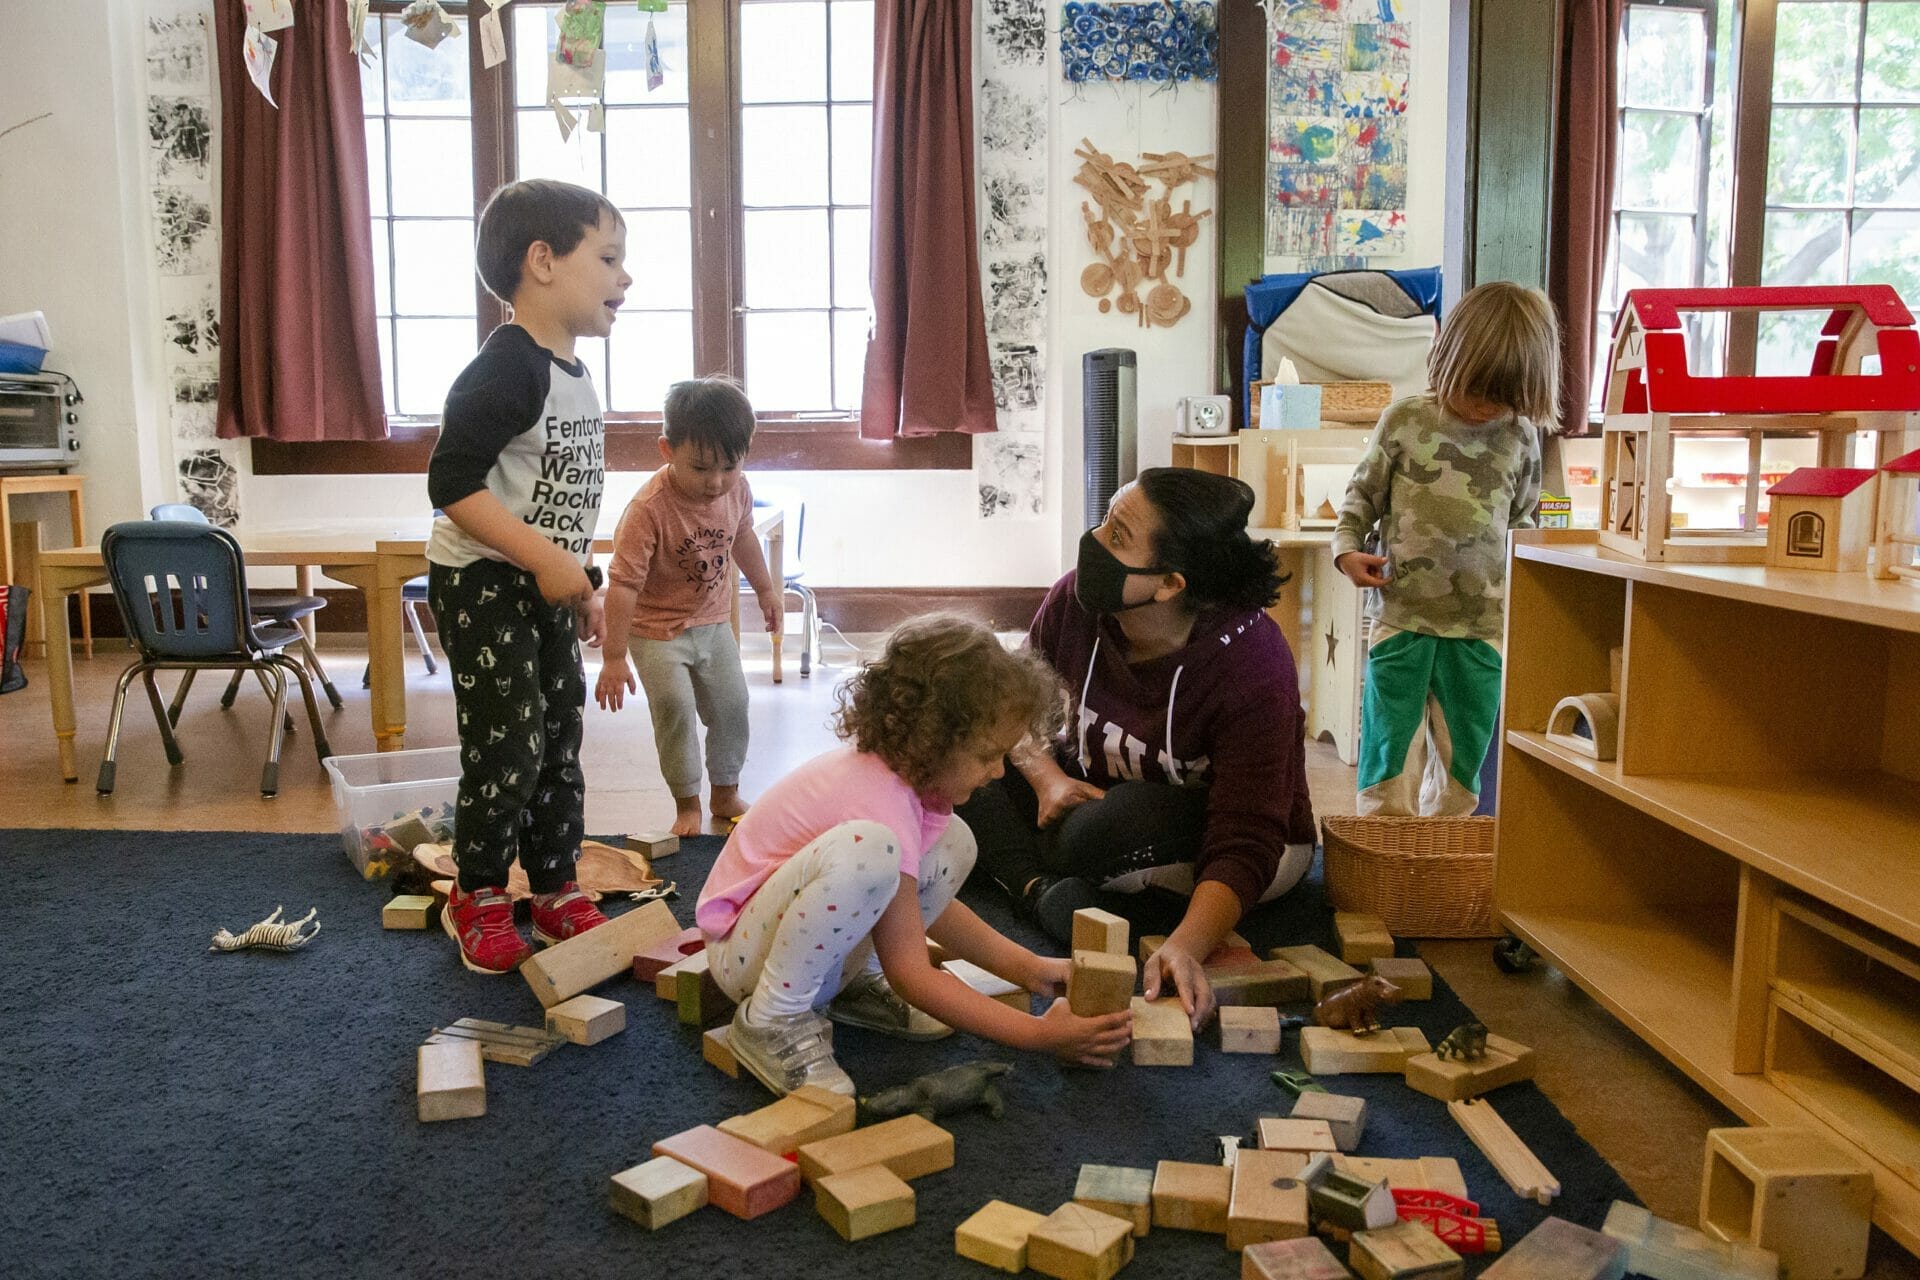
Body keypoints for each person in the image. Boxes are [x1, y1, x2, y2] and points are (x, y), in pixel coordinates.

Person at [697, 615, 1134, 1097]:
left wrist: (1029, 969)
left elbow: (928, 912)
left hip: (788, 939)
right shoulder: (876, 802)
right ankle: (772, 1018)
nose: (996, 772)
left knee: (956, 843)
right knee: (870, 854)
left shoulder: (913, 785)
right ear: (933, 740)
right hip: (744, 958)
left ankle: (853, 985)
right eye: (988, 755)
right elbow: (913, 976)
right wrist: (1039, 1036)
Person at [959, 468, 1317, 1032]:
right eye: (1105, 520)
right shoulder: (1074, 600)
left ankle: (1028, 869)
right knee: (951, 755)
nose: (1094, 541)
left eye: (1117, 535)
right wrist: (1045, 777)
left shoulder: (1254, 666)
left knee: (1103, 827)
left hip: (1216, 837)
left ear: (1170, 583)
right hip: (1077, 795)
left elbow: (1248, 835)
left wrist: (1187, 948)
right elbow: (1012, 710)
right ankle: (1040, 892)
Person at [425, 178, 630, 974]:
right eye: (609, 258)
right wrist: (547, 560)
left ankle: (552, 883)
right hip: (481, 582)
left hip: (541, 583)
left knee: (559, 741)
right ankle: (476, 890)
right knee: (508, 743)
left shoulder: (573, 371)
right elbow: (453, 482)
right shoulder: (508, 366)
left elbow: (553, 498)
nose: (625, 278)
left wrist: (580, 577)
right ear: (543, 262)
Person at [1331, 280, 1554, 817]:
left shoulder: (1521, 437)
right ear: (1447, 359)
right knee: (1390, 748)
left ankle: (1441, 855)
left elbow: (1524, 517)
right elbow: (1361, 496)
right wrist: (1346, 549)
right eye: (1472, 388)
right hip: (1402, 617)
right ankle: (1382, 851)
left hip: (1480, 627)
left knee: (1465, 758)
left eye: (1499, 397)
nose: (1481, 407)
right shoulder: (1406, 420)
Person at [594, 378, 780, 836]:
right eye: (700, 468)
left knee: (733, 705)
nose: (715, 482)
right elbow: (621, 586)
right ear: (666, 449)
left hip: (713, 623)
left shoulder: (737, 490)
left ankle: (725, 791)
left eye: (729, 466)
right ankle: (686, 802)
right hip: (654, 629)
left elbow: (743, 537)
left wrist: (766, 589)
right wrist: (614, 657)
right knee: (674, 707)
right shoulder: (648, 510)